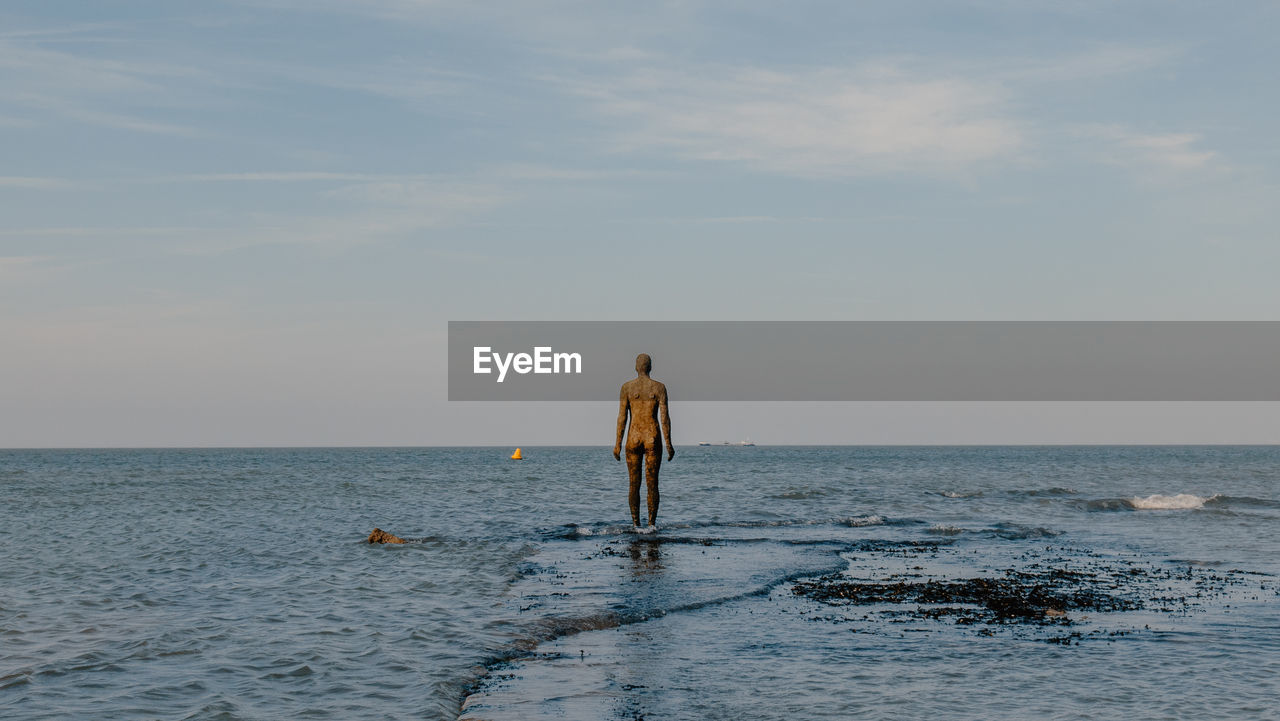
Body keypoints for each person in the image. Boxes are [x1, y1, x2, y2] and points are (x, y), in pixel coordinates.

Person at [613, 353, 674, 530]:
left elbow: (622, 417)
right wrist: (669, 443)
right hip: (652, 437)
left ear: (636, 367)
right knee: (652, 482)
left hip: (633, 438)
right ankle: (651, 525)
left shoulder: (627, 388)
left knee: (634, 483)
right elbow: (665, 418)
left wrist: (617, 444)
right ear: (650, 367)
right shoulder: (659, 388)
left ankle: (635, 523)